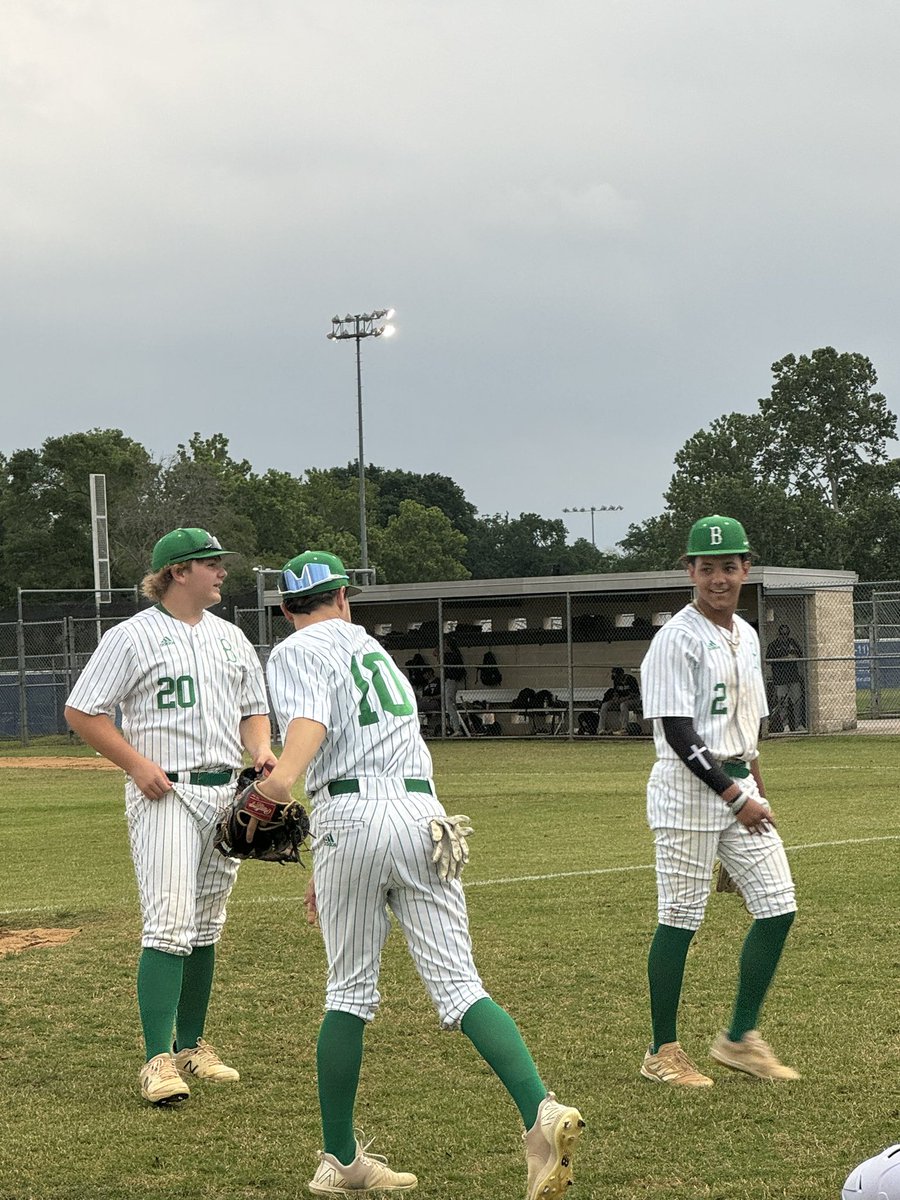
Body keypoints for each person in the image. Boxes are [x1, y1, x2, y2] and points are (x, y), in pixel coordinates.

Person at [258, 550, 584, 1197]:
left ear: (290, 610)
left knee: (349, 993)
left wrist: (279, 783)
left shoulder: (296, 649)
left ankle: (342, 1161)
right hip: (423, 814)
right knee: (462, 987)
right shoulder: (375, 653)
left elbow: (309, 723)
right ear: (345, 597)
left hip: (348, 813)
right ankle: (540, 1112)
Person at [64, 527, 274, 1106]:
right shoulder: (131, 638)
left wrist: (261, 749)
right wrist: (135, 765)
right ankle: (157, 1061)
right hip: (165, 794)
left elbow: (254, 710)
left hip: (225, 794)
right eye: (212, 563)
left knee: (207, 925)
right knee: (169, 924)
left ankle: (191, 1045)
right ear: (179, 572)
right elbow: (83, 710)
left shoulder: (232, 638)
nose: (222, 571)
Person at [638, 515, 798, 1087]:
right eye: (707, 568)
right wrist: (736, 797)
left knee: (778, 905)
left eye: (728, 567)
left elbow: (747, 726)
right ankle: (662, 1050)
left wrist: (756, 788)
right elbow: (680, 732)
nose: (718, 579)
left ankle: (737, 1038)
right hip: (687, 791)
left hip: (737, 787)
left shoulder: (747, 635)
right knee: (680, 918)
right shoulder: (675, 638)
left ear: (745, 568)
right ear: (691, 571)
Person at [766, 624, 806, 732]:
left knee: (797, 700)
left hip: (793, 677)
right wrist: (785, 657)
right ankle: (785, 725)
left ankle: (798, 725)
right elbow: (768, 659)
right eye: (782, 634)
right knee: (782, 702)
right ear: (778, 634)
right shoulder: (773, 645)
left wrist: (792, 655)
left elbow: (799, 654)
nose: (784, 636)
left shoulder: (792, 642)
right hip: (780, 678)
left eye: (786, 634)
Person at [598, 667, 642, 735]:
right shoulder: (616, 680)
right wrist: (616, 698)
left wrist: (622, 699)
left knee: (623, 705)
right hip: (620, 700)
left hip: (633, 700)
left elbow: (634, 694)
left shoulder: (630, 679)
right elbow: (616, 692)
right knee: (605, 705)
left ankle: (624, 728)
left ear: (621, 675)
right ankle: (601, 729)